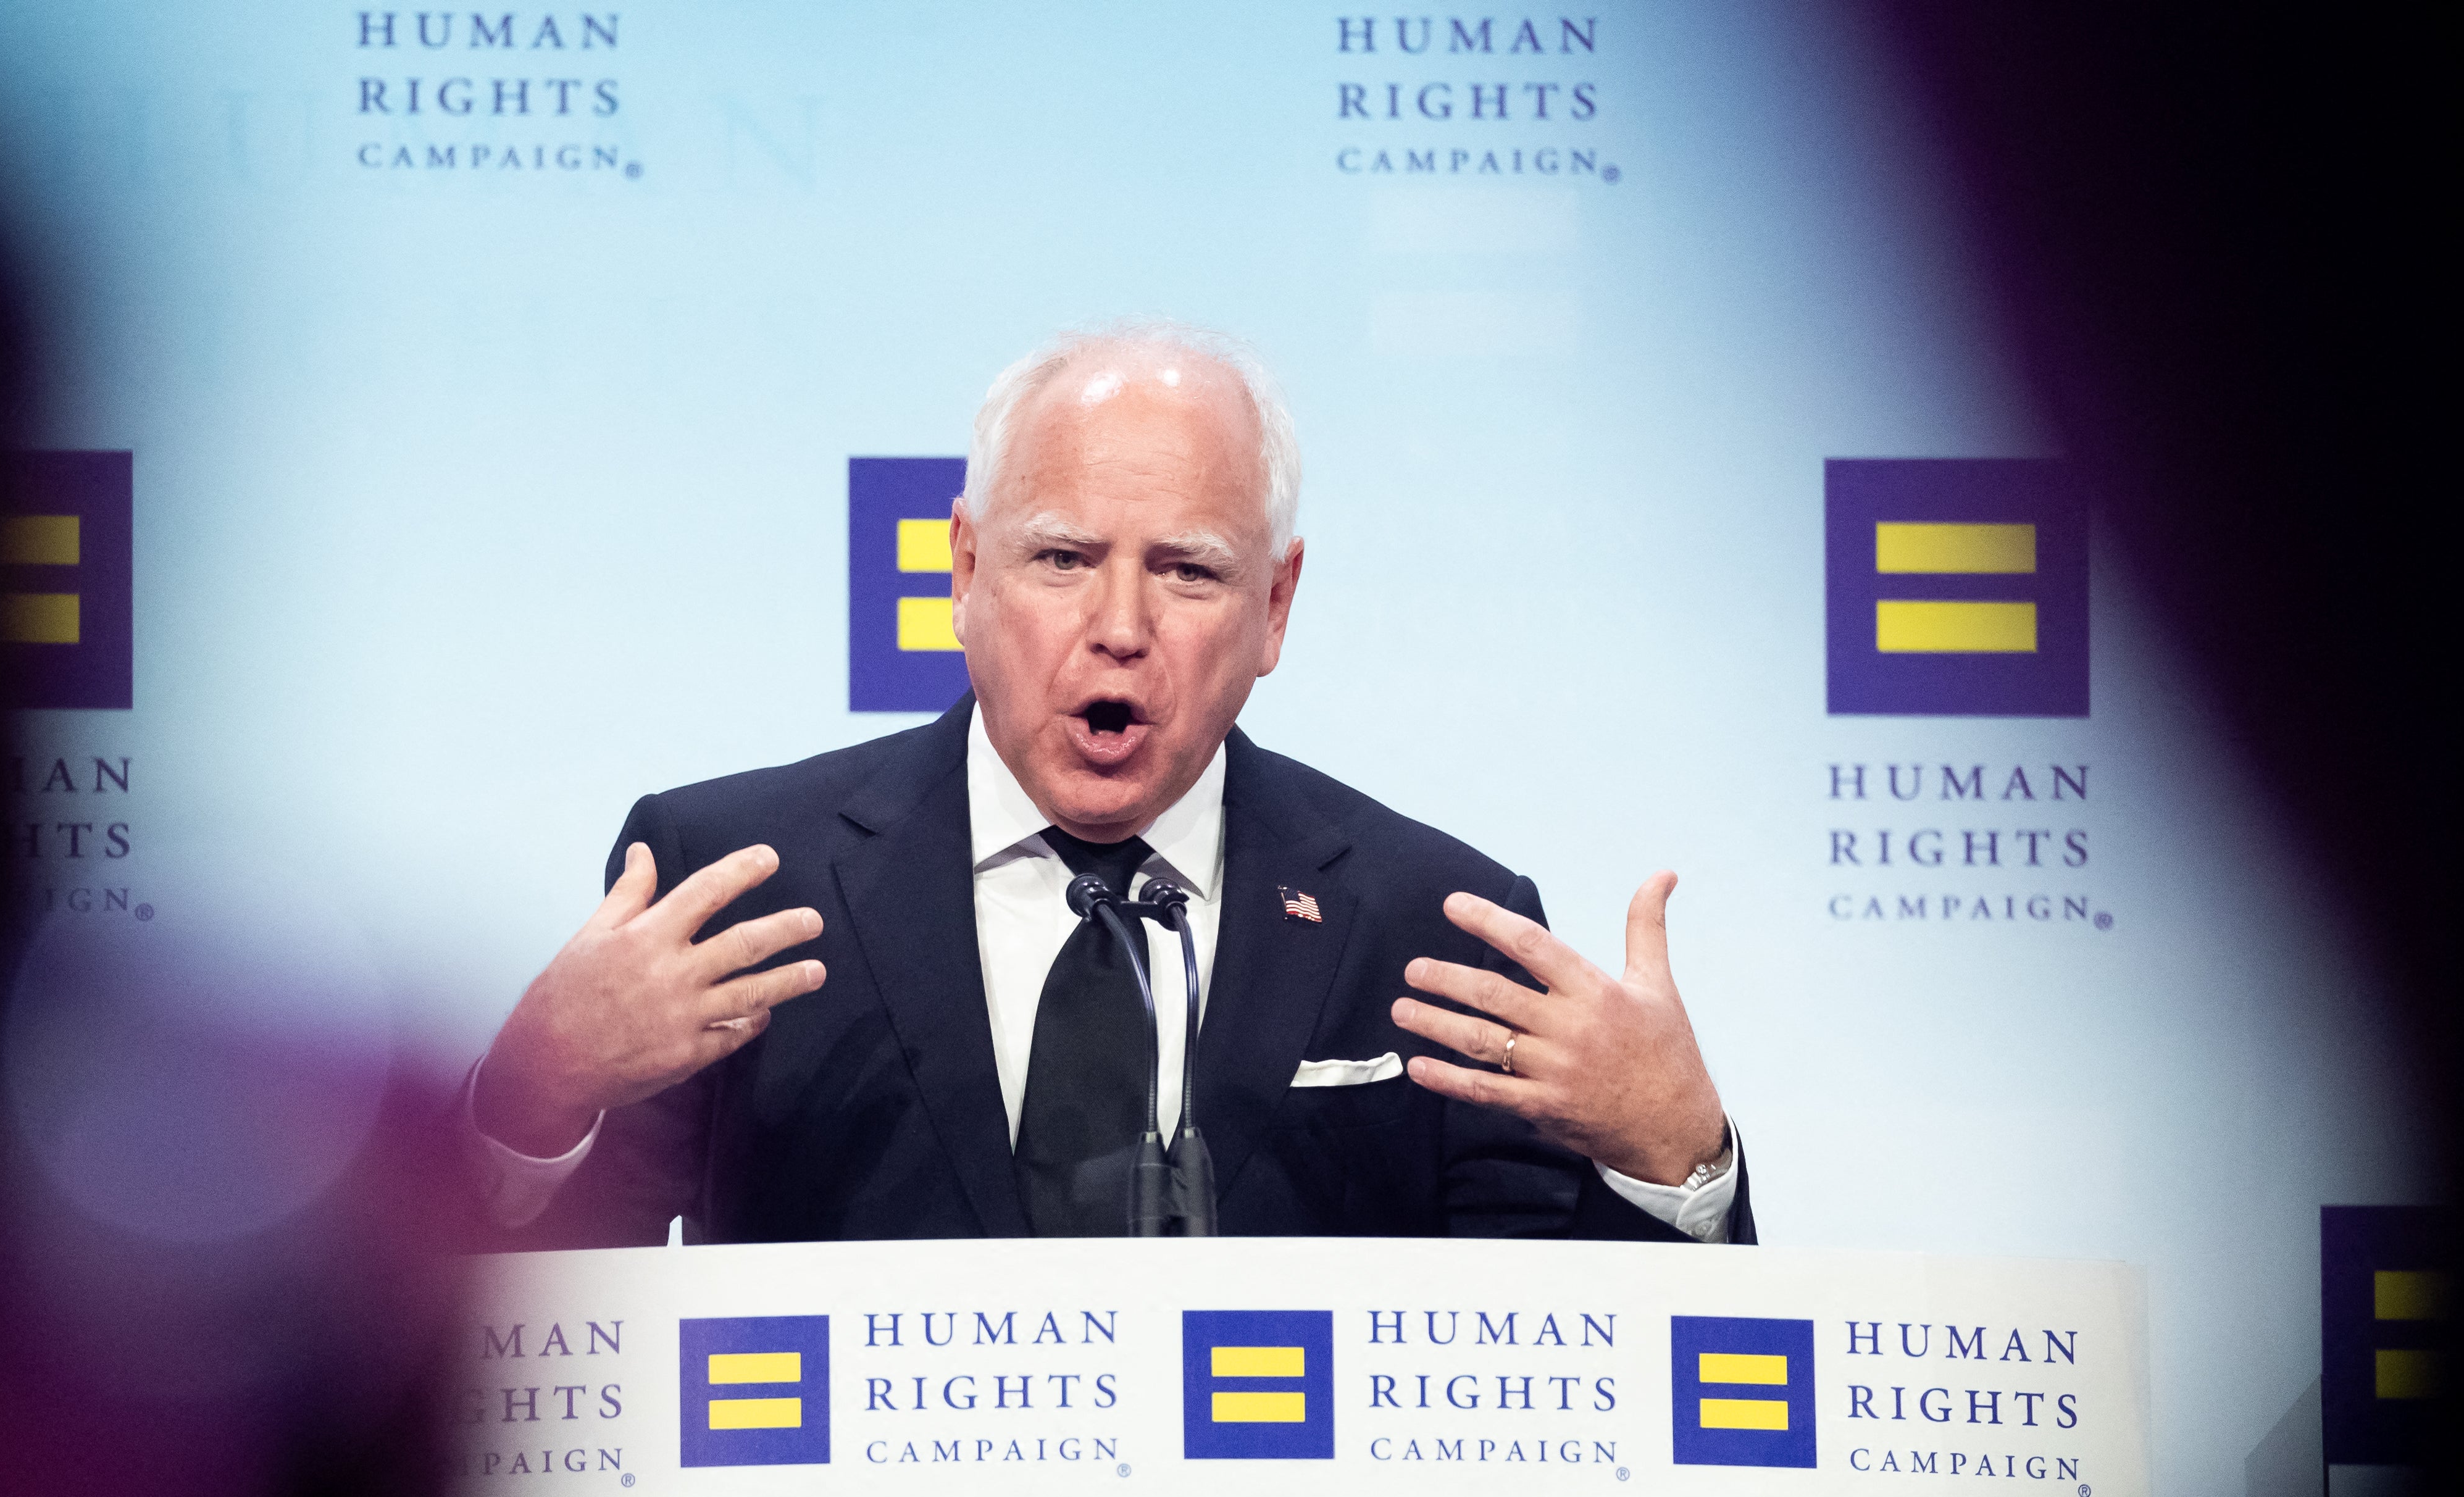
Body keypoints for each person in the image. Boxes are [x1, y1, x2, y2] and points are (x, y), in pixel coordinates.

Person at [465, 323, 1752, 1246]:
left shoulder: (1431, 925)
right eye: (1063, 557)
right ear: (963, 572)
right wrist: (532, 1100)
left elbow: (1569, 1404)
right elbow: (539, 1392)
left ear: (1276, 608)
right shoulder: (734, 878)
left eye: (1189, 572)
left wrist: (1678, 1161)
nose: (1119, 625)